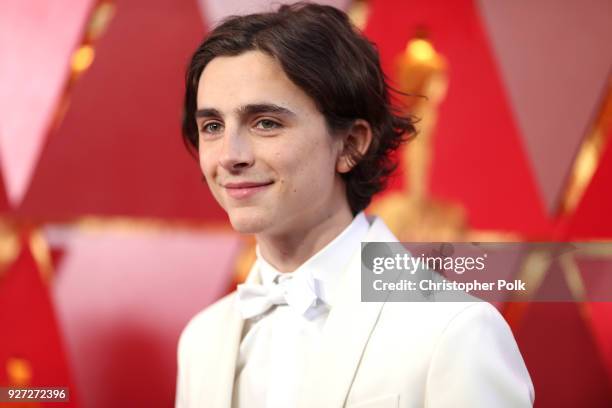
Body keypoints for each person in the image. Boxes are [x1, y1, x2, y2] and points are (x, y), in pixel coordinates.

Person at [175, 3, 534, 407]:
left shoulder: (454, 330)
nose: (229, 156)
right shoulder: (201, 341)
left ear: (350, 144)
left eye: (266, 123)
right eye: (213, 127)